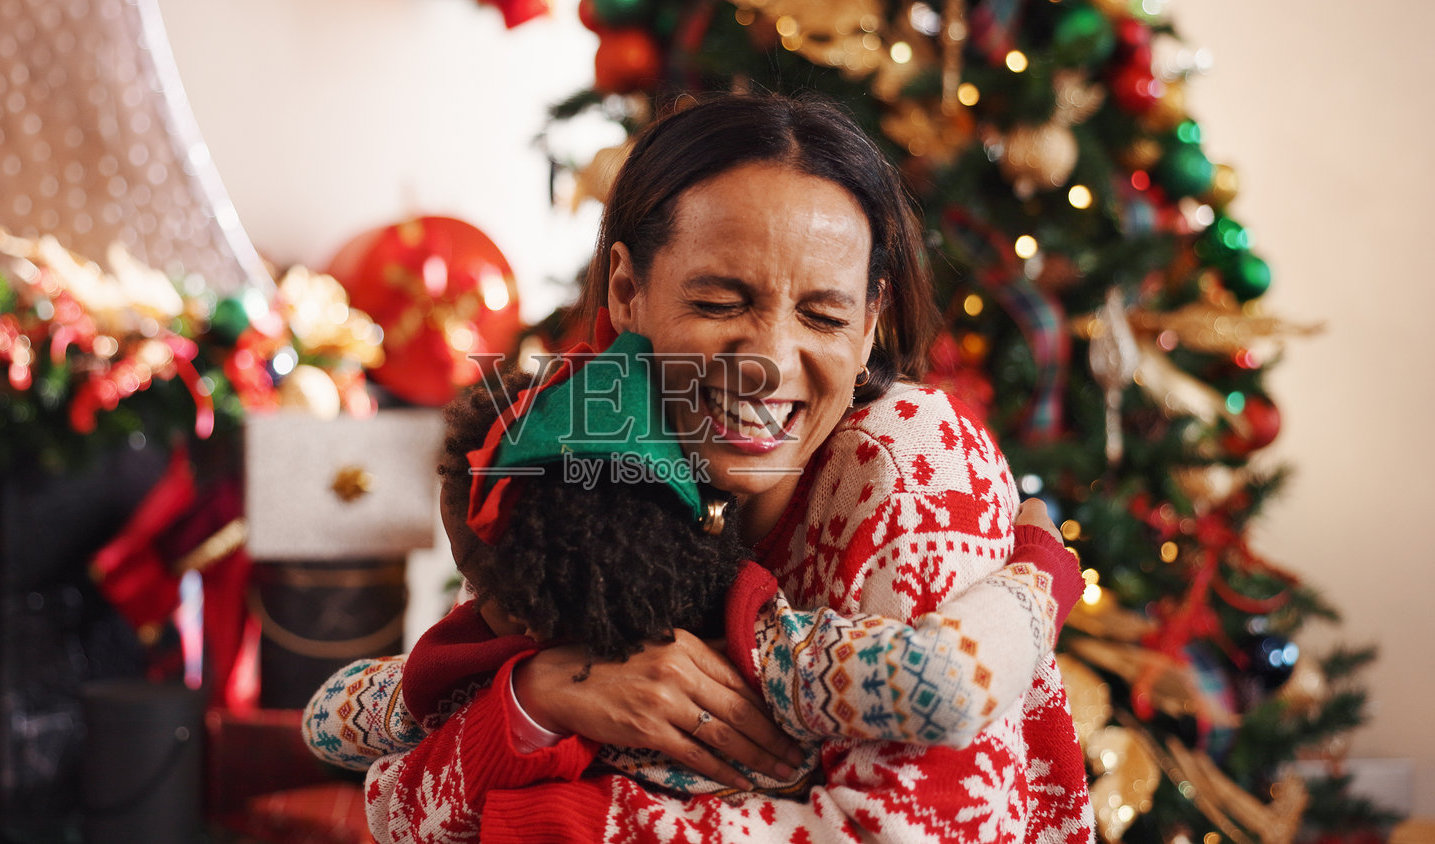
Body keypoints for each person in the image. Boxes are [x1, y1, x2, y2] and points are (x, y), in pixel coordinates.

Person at [305, 93, 1096, 842]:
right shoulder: (599, 468)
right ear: (627, 289)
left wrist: (550, 824)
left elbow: (921, 825)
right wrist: (543, 694)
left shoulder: (913, 453)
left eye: (823, 314)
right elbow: (392, 803)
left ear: (870, 324)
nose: (769, 362)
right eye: (720, 303)